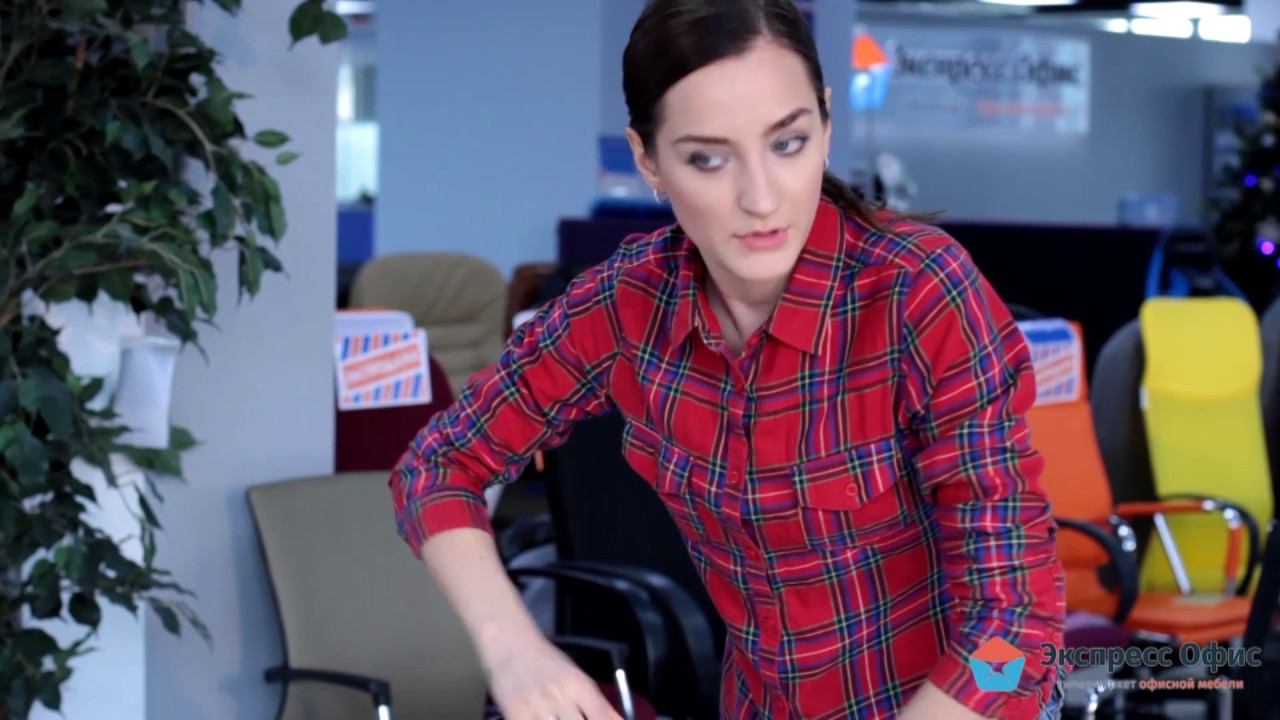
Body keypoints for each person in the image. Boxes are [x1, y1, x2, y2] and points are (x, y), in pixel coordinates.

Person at [388, 1, 1066, 718]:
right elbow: (438, 466)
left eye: (788, 143)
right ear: (648, 160)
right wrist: (515, 651)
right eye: (708, 159)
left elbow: (1015, 626)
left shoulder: (918, 292)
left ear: (826, 123)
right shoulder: (629, 303)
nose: (761, 198)